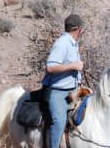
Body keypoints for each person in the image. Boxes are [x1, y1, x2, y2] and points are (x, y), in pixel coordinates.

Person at [41, 14, 84, 148]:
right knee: (59, 121)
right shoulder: (62, 43)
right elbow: (50, 67)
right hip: (57, 91)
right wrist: (73, 66)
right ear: (79, 29)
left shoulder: (73, 44)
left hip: (72, 90)